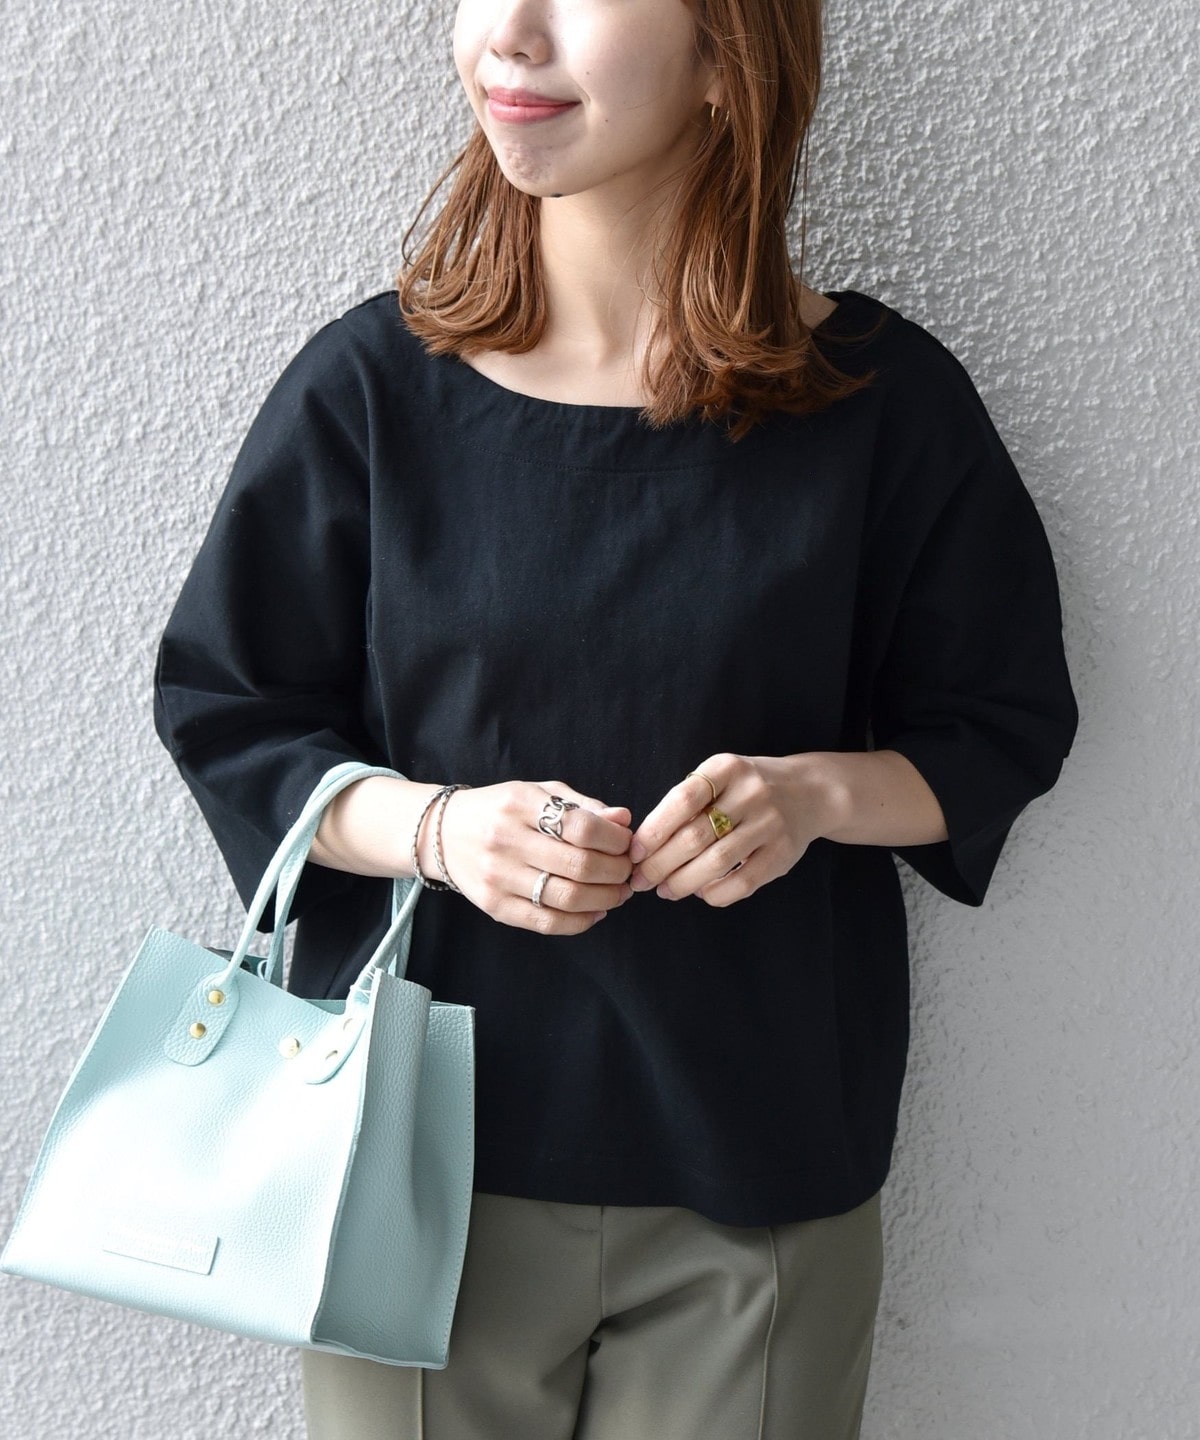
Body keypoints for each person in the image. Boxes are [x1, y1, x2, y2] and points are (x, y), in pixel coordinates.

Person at [154, 0, 1078, 1435]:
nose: (509, 35)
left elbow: (1000, 720)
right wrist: (443, 831)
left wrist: (814, 798)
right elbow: (229, 707)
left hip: (760, 1183)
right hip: (404, 1173)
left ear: (727, 51)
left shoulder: (881, 405)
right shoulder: (371, 392)